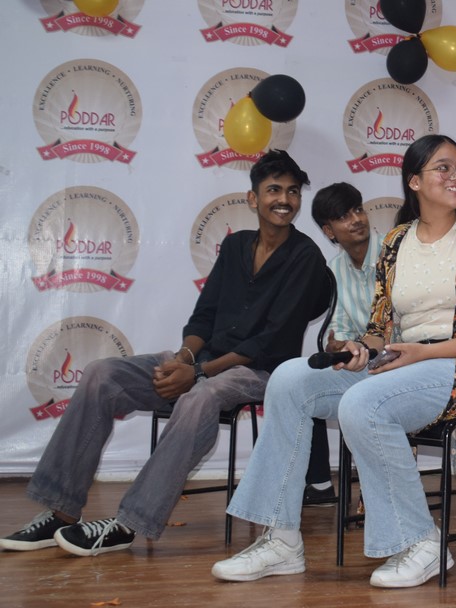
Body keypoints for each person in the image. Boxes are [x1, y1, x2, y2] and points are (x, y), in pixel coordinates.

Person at [211, 134, 456, 588]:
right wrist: (363, 347)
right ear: (414, 181)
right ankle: (280, 540)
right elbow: (381, 325)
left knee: (364, 403)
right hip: (403, 360)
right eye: (443, 167)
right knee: (288, 379)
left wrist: (425, 351)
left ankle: (421, 542)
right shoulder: (397, 242)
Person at [0, 150, 327, 557]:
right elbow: (204, 315)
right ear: (252, 198)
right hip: (206, 361)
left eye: (292, 192)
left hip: (260, 371)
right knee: (102, 374)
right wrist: (185, 359)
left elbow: (270, 341)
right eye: (274, 190)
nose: (284, 199)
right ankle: (61, 513)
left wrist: (199, 373)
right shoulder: (235, 245)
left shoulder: (305, 256)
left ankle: (128, 523)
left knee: (200, 397)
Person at [302, 183, 382, 508]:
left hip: (407, 360)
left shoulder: (397, 253)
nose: (356, 220)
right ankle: (317, 483)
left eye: (358, 210)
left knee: (368, 393)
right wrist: (338, 344)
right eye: (343, 216)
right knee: (301, 384)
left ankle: (378, 491)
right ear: (328, 231)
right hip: (365, 363)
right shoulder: (333, 271)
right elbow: (342, 331)